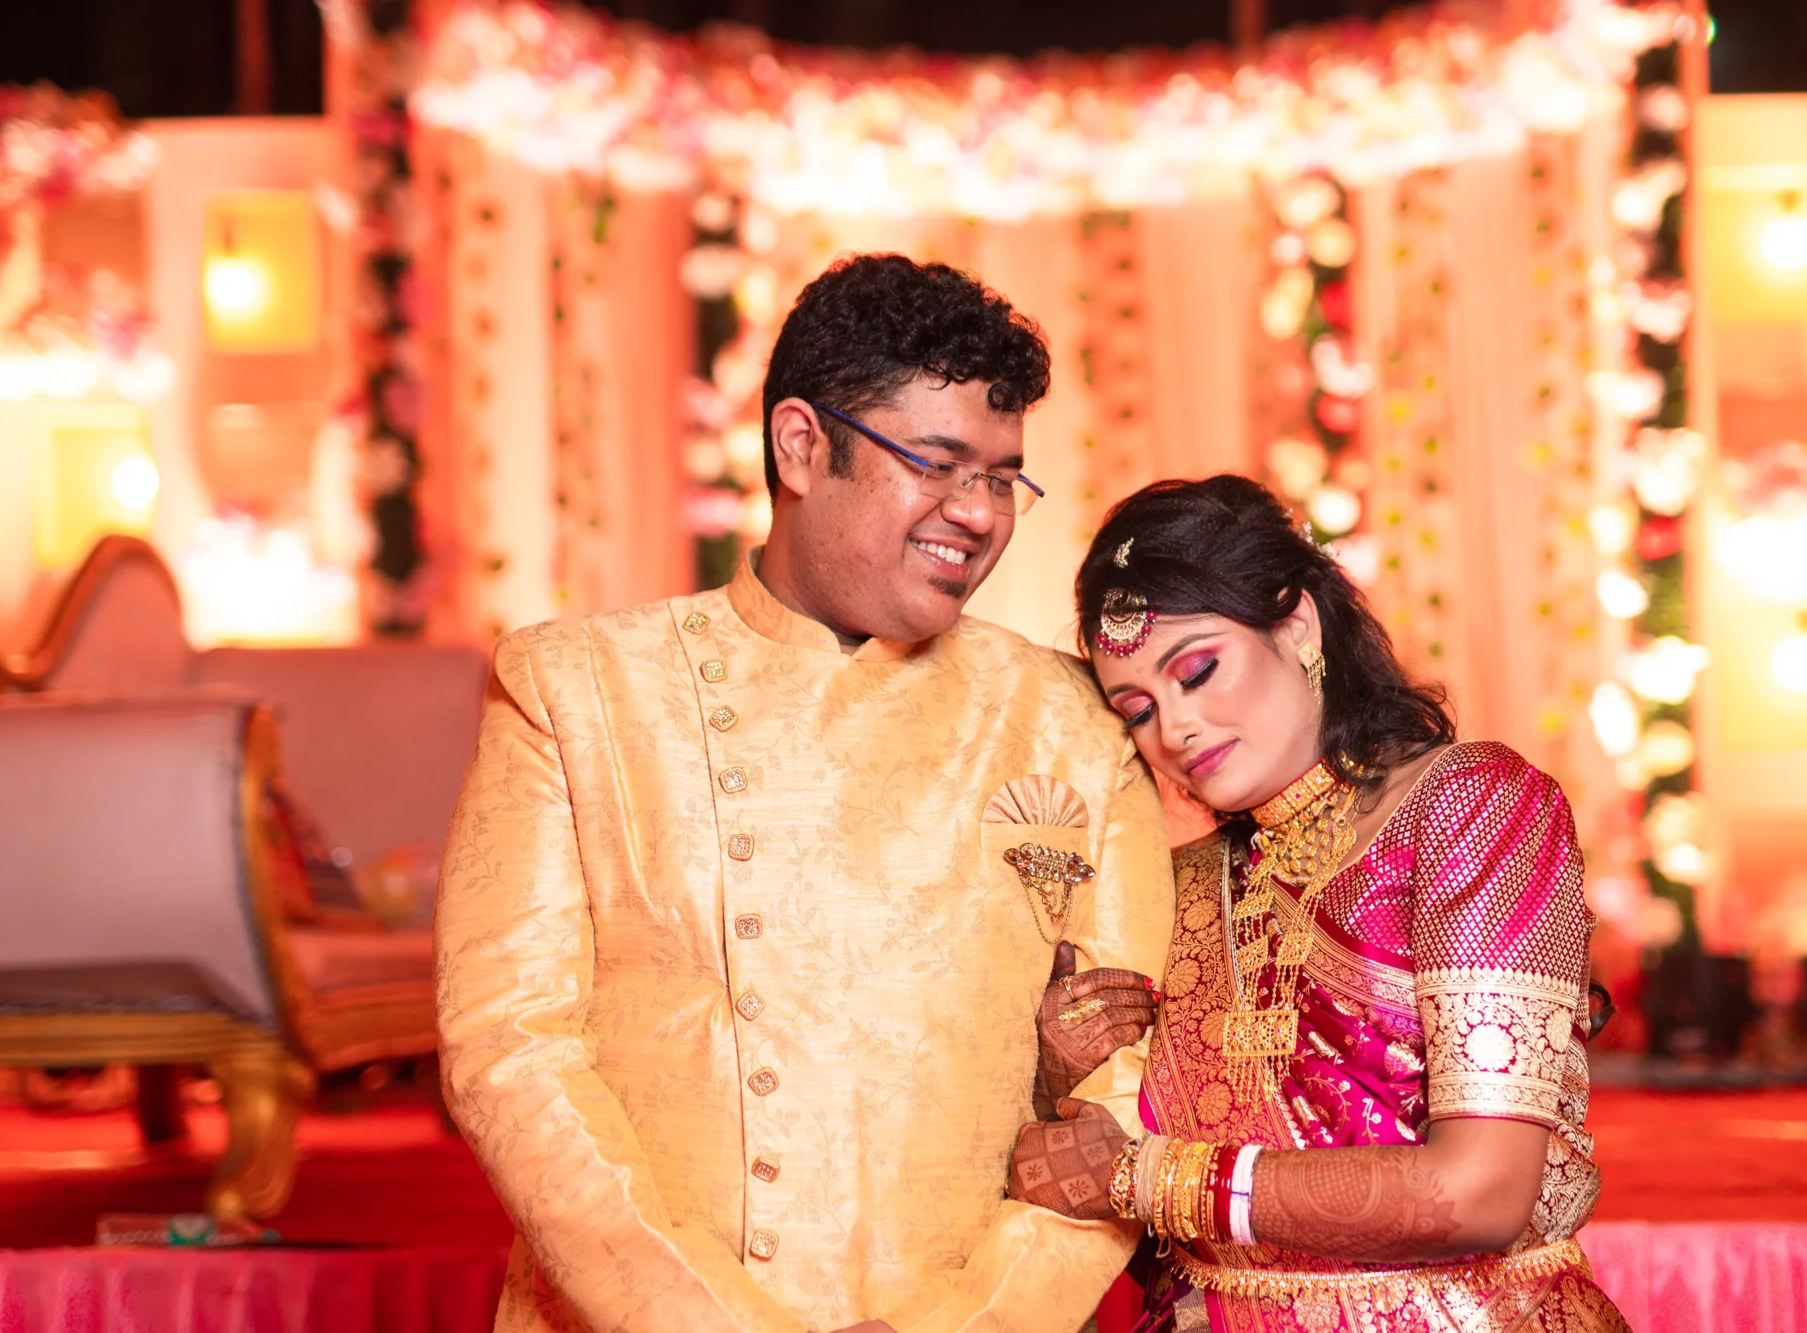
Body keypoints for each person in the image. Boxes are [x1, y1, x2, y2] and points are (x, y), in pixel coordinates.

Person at [437, 254, 1174, 1333]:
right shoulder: (578, 688)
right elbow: (509, 1051)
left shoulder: (1069, 721)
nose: (976, 513)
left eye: (1003, 476)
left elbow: (1126, 1087)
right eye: (936, 463)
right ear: (799, 445)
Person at [1008, 476, 1627, 1332]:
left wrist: (1144, 1175)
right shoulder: (1181, 884)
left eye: (1197, 669)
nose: (1175, 728)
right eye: (1139, 708)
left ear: (1296, 624)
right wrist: (1063, 1075)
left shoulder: (1470, 807)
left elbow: (1483, 1189)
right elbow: (1149, 1224)